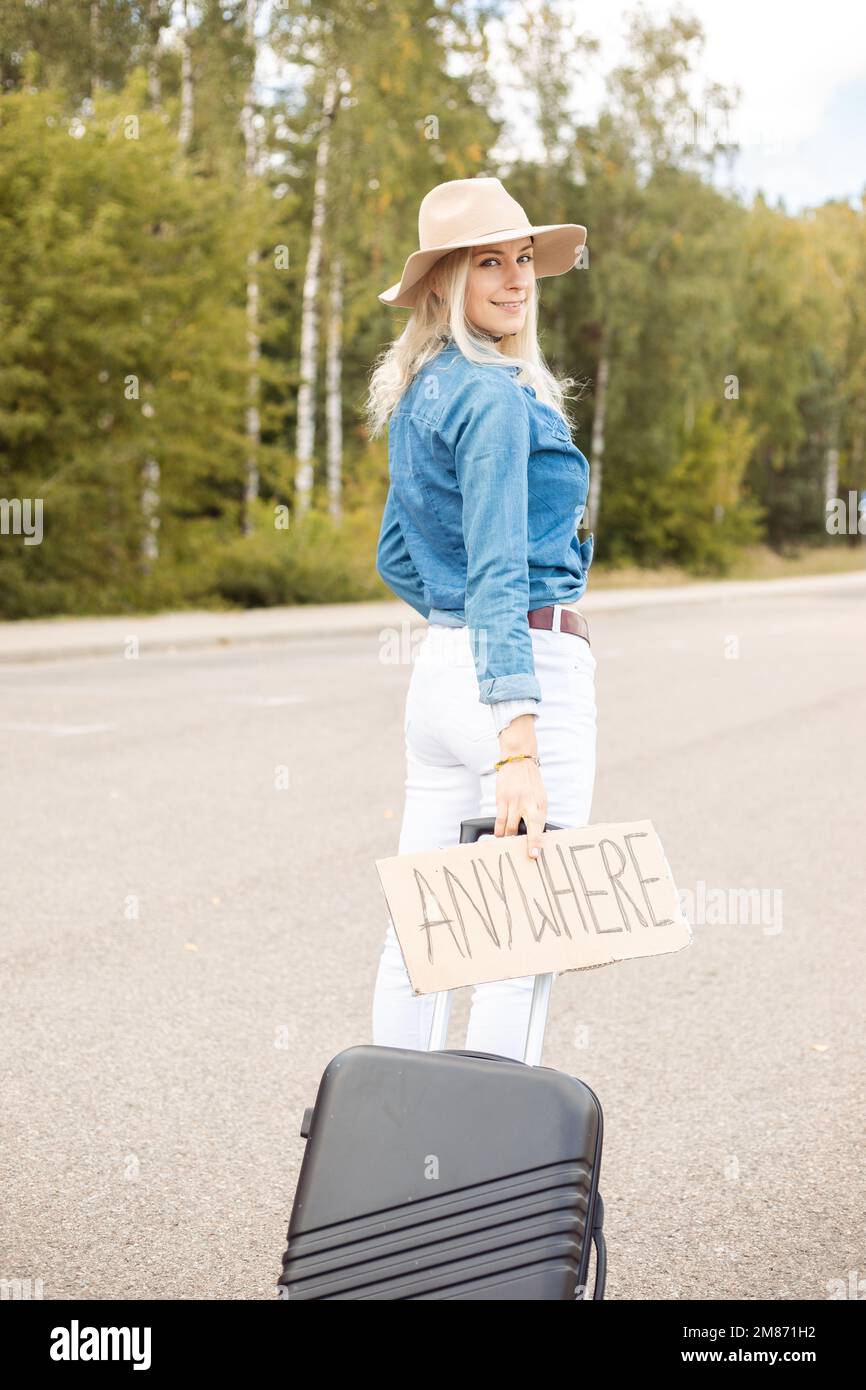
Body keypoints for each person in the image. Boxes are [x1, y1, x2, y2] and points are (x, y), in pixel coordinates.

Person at [364, 176, 598, 1062]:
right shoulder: (497, 399)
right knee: (518, 947)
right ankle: (496, 1187)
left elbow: (396, 553)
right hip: (524, 676)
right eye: (488, 262)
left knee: (420, 936)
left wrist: (458, 625)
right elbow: (501, 568)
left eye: (523, 259)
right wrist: (516, 743)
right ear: (443, 284)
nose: (515, 279)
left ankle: (396, 1166)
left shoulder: (426, 391)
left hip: (444, 679)